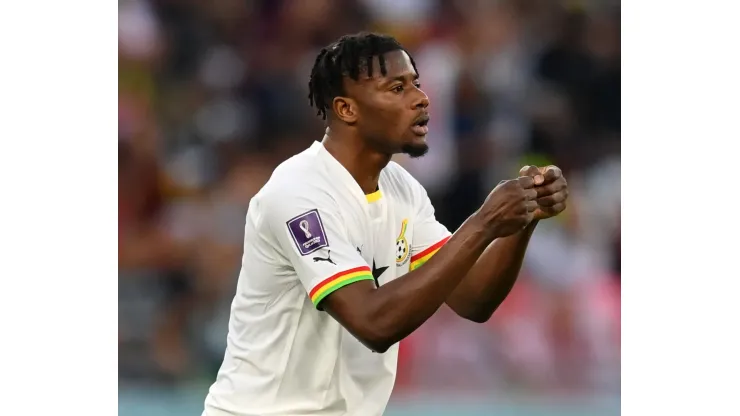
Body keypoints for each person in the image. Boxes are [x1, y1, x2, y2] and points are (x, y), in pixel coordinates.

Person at [202, 32, 568, 416]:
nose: (421, 99)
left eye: (416, 84)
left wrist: (524, 218)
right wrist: (483, 222)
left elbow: (473, 299)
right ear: (347, 109)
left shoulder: (401, 188)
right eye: (396, 88)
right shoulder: (299, 194)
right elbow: (374, 323)